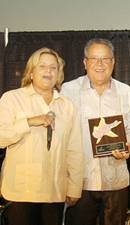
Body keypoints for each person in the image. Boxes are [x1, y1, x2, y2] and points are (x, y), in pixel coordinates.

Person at [61, 38, 130, 225]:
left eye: (105, 59)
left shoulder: (126, 92)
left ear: (113, 62)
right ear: (85, 62)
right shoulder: (68, 91)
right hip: (79, 181)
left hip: (116, 180)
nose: (100, 64)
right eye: (94, 59)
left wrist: (129, 145)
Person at [0, 47, 83, 225]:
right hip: (20, 191)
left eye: (53, 67)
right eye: (42, 66)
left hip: (54, 192)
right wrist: (29, 122)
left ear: (59, 74)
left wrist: (75, 187)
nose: (48, 71)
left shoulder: (67, 106)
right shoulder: (11, 99)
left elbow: (74, 150)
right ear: (31, 72)